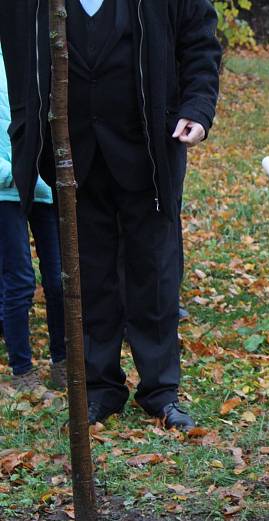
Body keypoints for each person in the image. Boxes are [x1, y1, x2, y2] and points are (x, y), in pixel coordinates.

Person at [0, 0, 221, 430]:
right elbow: (19, 55)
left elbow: (200, 44)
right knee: (88, 276)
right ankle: (99, 388)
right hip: (74, 159)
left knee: (155, 273)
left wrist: (197, 108)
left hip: (150, 151)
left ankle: (160, 390)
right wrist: (27, 129)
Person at [0, 46, 66, 399]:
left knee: (58, 277)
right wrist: (10, 172)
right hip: (4, 190)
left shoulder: (38, 47)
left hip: (44, 186)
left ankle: (61, 363)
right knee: (20, 280)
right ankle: (22, 371)